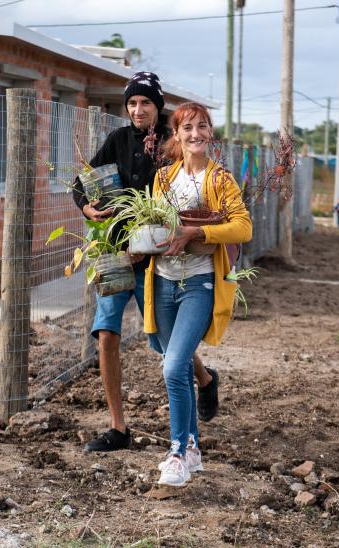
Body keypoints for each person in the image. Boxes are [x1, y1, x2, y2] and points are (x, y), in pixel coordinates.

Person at [71, 73, 220, 453]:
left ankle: (204, 379)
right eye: (132, 103)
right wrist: (86, 207)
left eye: (146, 103)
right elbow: (81, 182)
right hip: (117, 253)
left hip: (157, 260)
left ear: (158, 107)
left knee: (165, 343)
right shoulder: (117, 140)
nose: (138, 110)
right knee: (106, 334)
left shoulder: (173, 147)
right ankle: (118, 428)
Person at [144, 102, 252, 486]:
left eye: (202, 127)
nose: (195, 134)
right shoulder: (163, 179)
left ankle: (176, 450)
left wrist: (197, 233)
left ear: (210, 134)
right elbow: (154, 223)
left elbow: (242, 228)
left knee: (173, 367)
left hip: (199, 283)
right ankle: (192, 449)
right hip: (163, 282)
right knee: (179, 360)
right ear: (176, 135)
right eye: (187, 127)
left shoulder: (220, 180)